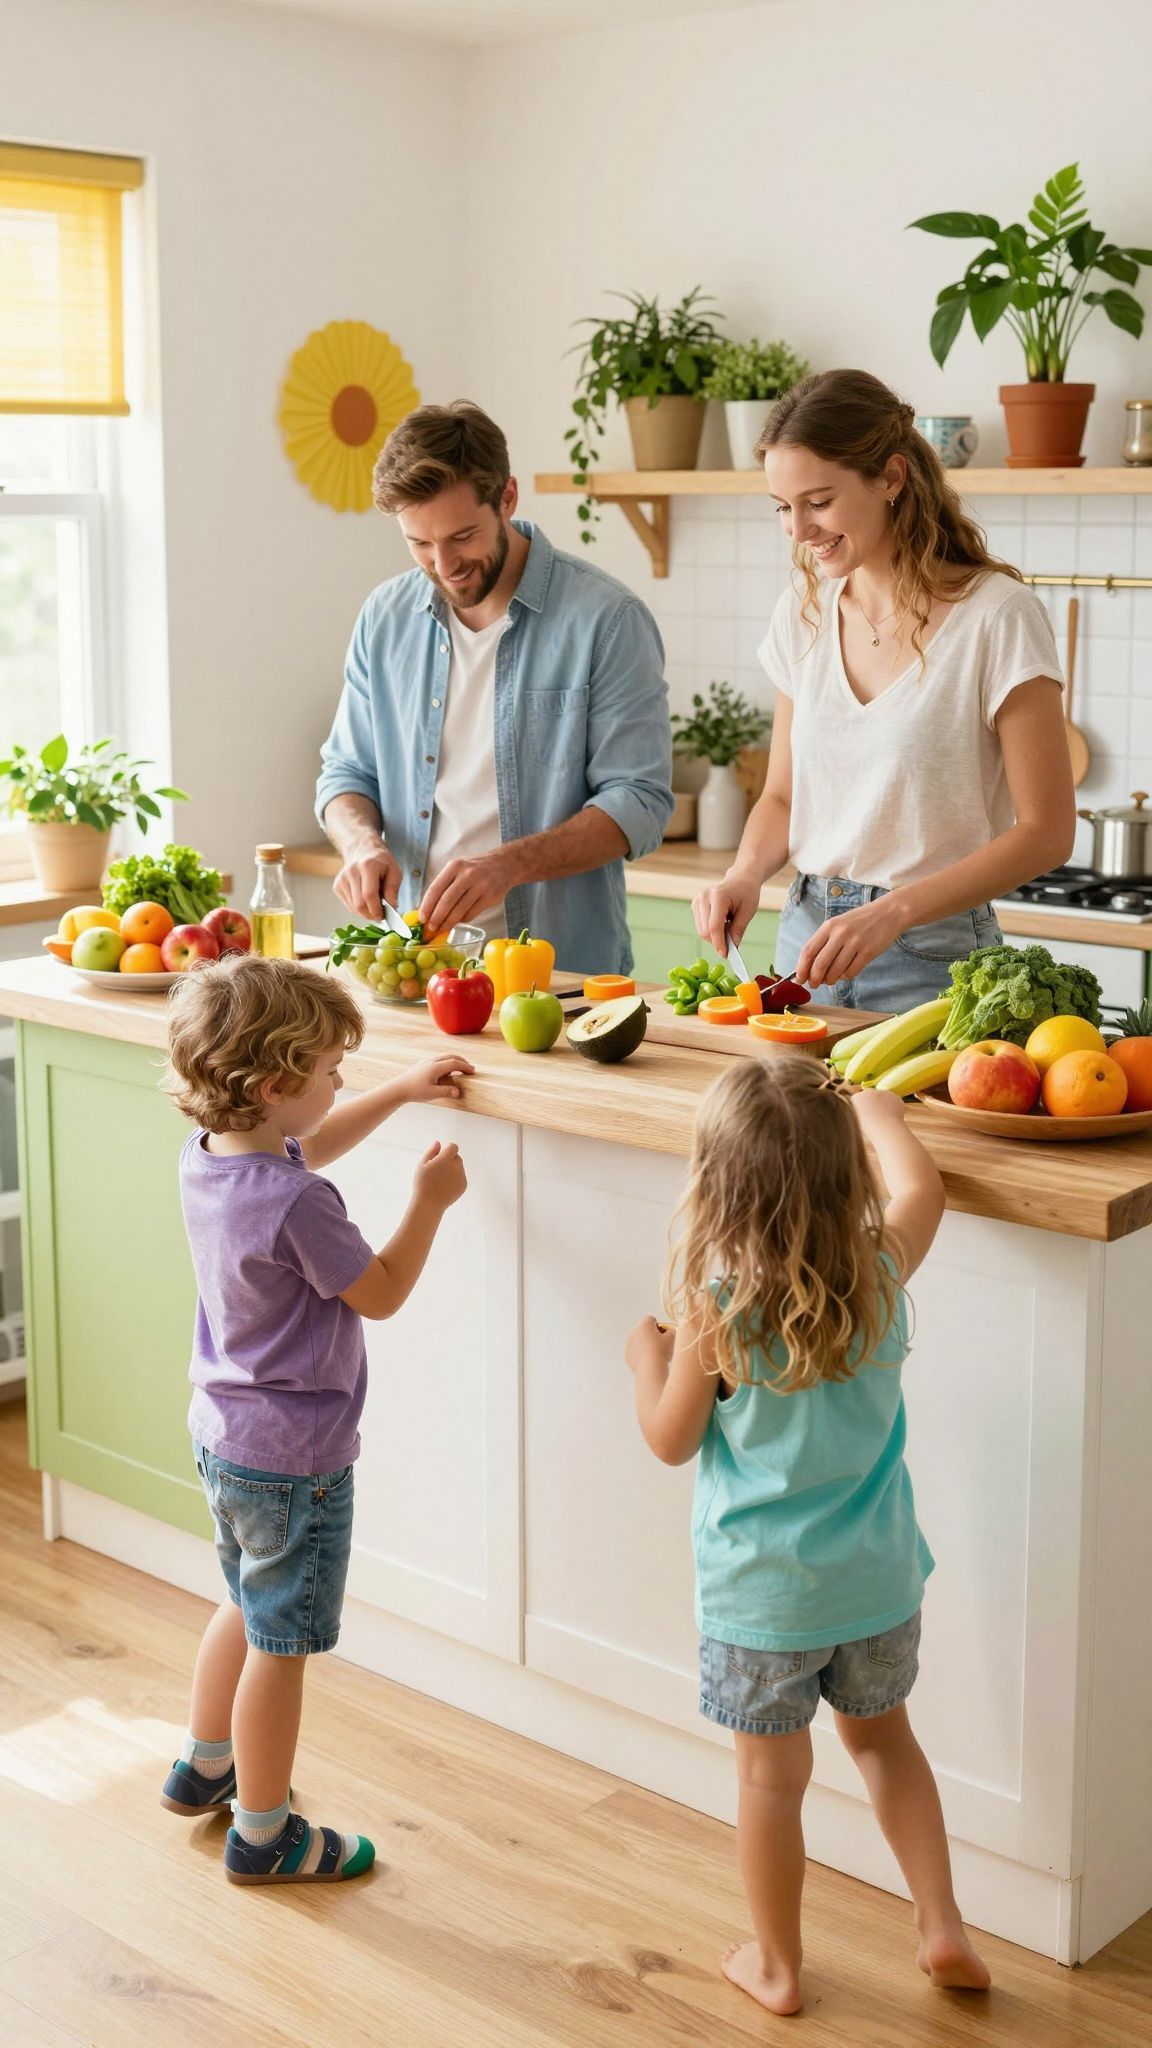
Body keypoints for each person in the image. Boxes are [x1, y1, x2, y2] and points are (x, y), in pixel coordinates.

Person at [625, 1057, 990, 2016]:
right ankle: (943, 1923)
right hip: (874, 1583)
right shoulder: (878, 1273)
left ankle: (781, 1968)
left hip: (763, 1600)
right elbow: (925, 1188)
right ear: (845, 1178)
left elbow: (669, 1441)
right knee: (886, 1746)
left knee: (771, 1781)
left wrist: (642, 1359)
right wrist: (877, 1112)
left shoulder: (715, 1307)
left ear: (718, 1183)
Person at [159, 954, 471, 1885]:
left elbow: (311, 1139)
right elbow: (377, 1294)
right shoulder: (299, 1202)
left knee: (243, 1605)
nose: (340, 1082)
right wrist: (428, 1204)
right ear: (273, 1085)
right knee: (281, 1647)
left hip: (224, 1436)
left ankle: (204, 1763)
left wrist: (400, 1089)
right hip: (297, 1461)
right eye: (332, 1069)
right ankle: (264, 1833)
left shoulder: (216, 1160)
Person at [693, 369, 1075, 1011]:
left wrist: (894, 913)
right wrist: (744, 873)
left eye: (818, 502)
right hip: (804, 943)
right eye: (783, 508)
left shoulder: (998, 616)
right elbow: (784, 795)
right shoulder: (803, 611)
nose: (798, 530)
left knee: (906, 1118)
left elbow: (1047, 831)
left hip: (936, 956)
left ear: (891, 478)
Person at [316, 401, 674, 974]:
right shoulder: (384, 617)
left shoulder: (606, 620)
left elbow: (638, 801)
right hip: (417, 970)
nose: (444, 563)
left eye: (462, 536)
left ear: (507, 498)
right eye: (419, 544)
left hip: (560, 976)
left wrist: (507, 865)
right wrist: (361, 843)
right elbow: (345, 775)